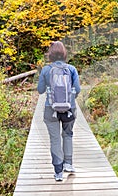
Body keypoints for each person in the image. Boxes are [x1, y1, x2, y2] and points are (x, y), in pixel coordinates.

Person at [37, 41, 81, 181]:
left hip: (51, 109)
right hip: (69, 108)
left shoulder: (46, 70)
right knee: (68, 135)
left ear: (50, 54)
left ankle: (58, 171)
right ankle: (68, 163)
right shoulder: (72, 69)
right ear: (64, 53)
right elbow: (78, 90)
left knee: (55, 139)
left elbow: (40, 90)